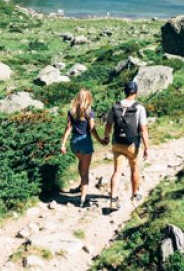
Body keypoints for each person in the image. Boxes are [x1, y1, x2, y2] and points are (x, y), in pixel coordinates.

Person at [99, 80, 150, 210]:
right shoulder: (139, 108)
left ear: (125, 91)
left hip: (117, 143)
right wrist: (147, 148)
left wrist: (106, 137)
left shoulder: (115, 106)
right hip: (132, 144)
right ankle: (134, 194)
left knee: (116, 171)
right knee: (134, 169)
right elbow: (143, 130)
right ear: (136, 92)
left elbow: (108, 124)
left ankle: (113, 199)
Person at [60, 88, 100, 208]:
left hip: (74, 142)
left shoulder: (71, 111)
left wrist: (63, 144)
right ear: (88, 98)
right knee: (85, 172)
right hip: (85, 141)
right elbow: (92, 129)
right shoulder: (89, 112)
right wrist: (100, 140)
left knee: (81, 162)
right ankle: (83, 199)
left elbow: (68, 128)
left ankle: (80, 187)